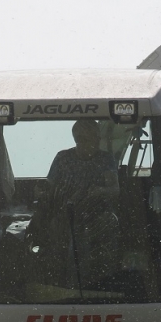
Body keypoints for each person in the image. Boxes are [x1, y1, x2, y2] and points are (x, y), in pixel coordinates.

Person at [30, 118, 121, 287]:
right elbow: (48, 187)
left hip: (96, 216)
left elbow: (115, 190)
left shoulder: (105, 159)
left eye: (96, 138)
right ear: (77, 139)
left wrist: (98, 192)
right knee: (56, 241)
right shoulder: (63, 158)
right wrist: (41, 191)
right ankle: (59, 288)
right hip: (64, 216)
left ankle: (96, 288)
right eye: (86, 138)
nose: (94, 142)